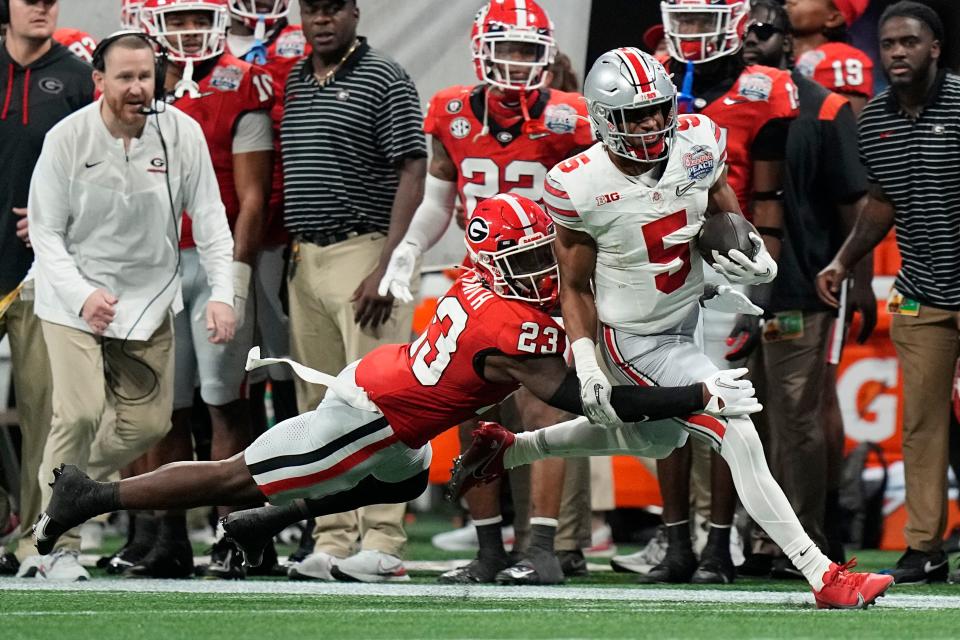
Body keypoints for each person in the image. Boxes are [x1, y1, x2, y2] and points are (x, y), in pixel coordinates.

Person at [34, 193, 761, 581]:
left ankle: (260, 526)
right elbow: (599, 402)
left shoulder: (482, 280)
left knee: (400, 484)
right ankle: (90, 496)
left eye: (547, 253)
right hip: (369, 414)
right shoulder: (507, 330)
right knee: (233, 477)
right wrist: (695, 397)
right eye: (532, 257)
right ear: (498, 262)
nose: (546, 268)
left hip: (391, 404)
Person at [453, 46, 893, 610]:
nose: (655, 123)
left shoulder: (699, 141)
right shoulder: (577, 183)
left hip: (691, 313)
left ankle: (512, 449)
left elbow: (722, 211)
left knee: (655, 434)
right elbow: (575, 285)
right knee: (734, 427)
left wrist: (750, 255)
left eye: (660, 109)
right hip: (632, 335)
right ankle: (823, 573)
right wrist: (586, 361)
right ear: (605, 119)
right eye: (638, 115)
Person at [378, 0, 594, 586]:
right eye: (509, 49)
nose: (519, 63)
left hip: (549, 281)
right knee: (470, 409)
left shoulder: (572, 117)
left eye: (530, 51)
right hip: (481, 280)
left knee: (542, 409)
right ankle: (489, 548)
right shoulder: (449, 111)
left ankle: (543, 546)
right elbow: (439, 201)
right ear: (482, 50)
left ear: (548, 55)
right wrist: (408, 250)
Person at [27, 30, 236, 581]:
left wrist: (222, 294)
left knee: (147, 425)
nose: (138, 87)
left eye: (146, 76)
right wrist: (83, 295)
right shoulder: (67, 139)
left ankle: (58, 487)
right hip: (72, 297)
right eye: (124, 77)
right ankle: (57, 547)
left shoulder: (182, 135)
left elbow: (212, 220)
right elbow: (45, 234)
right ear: (99, 82)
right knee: (77, 413)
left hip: (149, 300)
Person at [607, 0, 798, 585]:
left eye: (701, 20)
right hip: (651, 265)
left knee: (722, 405)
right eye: (682, 19)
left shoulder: (763, 89)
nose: (690, 33)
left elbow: (765, 203)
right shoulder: (650, 77)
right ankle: (674, 544)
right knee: (667, 411)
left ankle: (718, 544)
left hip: (720, 263)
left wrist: (755, 285)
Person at [112, 0, 274, 580]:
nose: (187, 29)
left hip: (214, 259)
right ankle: (170, 538)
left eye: (196, 16)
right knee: (166, 406)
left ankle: (239, 536)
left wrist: (234, 277)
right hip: (152, 263)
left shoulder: (243, 81)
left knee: (224, 399)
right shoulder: (137, 86)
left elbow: (253, 195)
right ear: (155, 26)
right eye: (176, 18)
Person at [280, 0, 426, 583]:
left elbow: (415, 168)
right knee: (318, 411)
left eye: (333, 8)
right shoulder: (297, 77)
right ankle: (333, 538)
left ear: (354, 13)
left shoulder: (384, 75)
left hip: (364, 250)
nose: (322, 19)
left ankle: (384, 540)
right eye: (311, 8)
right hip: (305, 257)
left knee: (379, 406)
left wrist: (387, 266)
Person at [817, 1, 960, 585]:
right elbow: (881, 202)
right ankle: (924, 548)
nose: (897, 52)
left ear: (935, 49)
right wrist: (844, 259)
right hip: (922, 292)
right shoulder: (874, 119)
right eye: (890, 44)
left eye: (909, 42)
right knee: (921, 427)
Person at [741, 0, 874, 577]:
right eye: (742, 32)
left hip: (801, 284)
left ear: (789, 41)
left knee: (798, 420)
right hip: (726, 293)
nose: (750, 41)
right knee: (748, 421)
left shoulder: (825, 108)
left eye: (764, 31)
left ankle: (811, 543)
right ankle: (759, 540)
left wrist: (860, 279)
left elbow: (855, 202)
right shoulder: (721, 108)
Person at [0, 0, 94, 579]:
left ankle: (45, 543)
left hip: (43, 273)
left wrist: (62, 214)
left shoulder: (82, 77)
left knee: (46, 414)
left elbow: (108, 167)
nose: (42, 6)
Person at [786, 0, 873, 114]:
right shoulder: (769, 47)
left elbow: (846, 126)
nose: (790, 1)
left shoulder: (842, 59)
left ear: (833, 18)